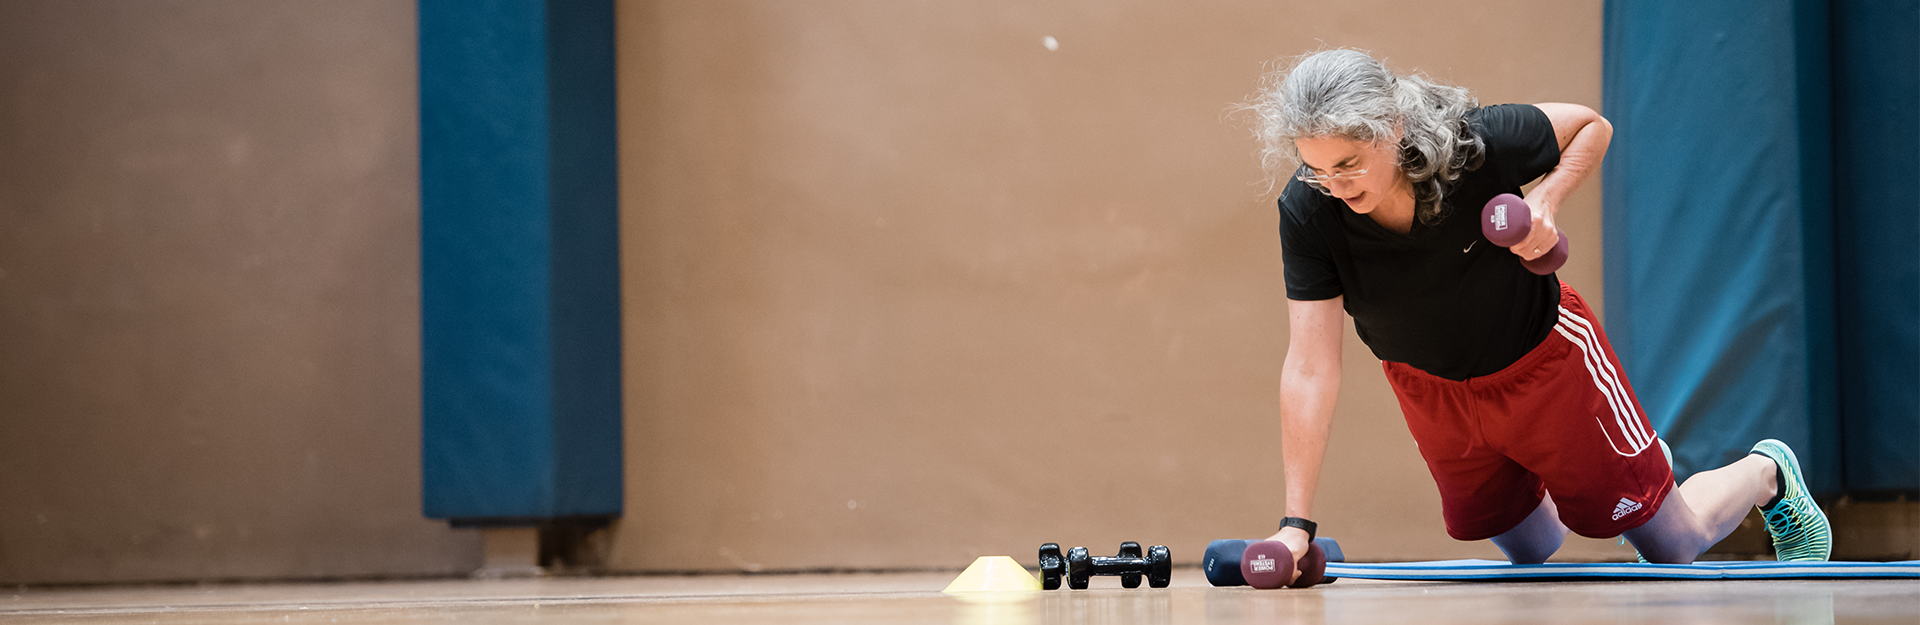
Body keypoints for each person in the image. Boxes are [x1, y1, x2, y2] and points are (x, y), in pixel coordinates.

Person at [1244, 49, 1831, 579]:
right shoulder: (1308, 209)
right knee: (1531, 550)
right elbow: (1310, 366)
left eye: (1348, 163)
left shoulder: (1477, 145)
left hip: (1547, 364)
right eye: (1317, 168)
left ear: (1393, 129)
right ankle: (1619, 463)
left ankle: (1764, 471)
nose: (1334, 184)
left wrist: (1544, 200)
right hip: (1435, 394)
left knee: (1671, 544)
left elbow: (1590, 126)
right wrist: (1298, 523)